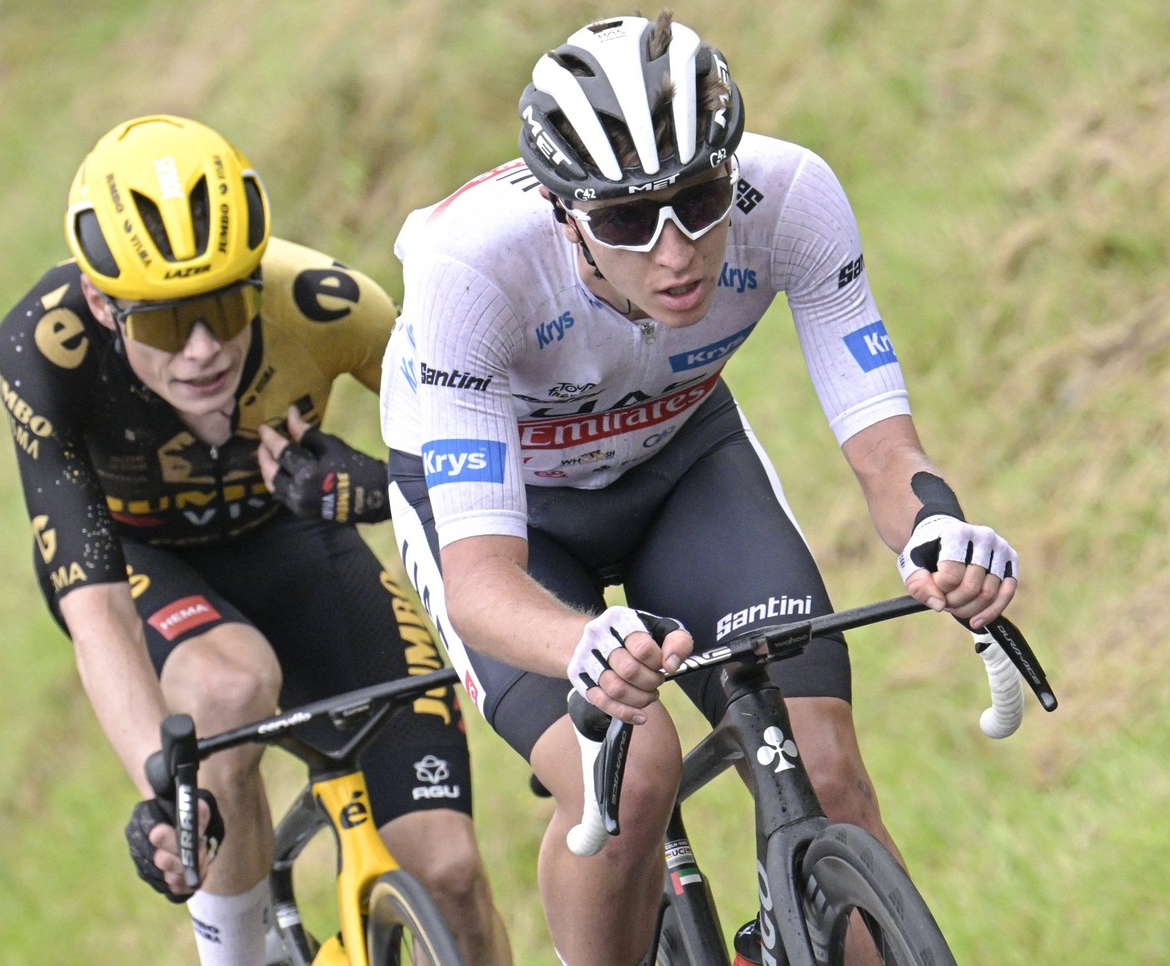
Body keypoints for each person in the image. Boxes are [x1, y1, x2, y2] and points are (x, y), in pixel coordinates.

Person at [378, 12, 1018, 965]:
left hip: (680, 459)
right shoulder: (472, 269)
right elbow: (480, 582)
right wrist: (579, 643)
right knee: (630, 775)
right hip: (511, 517)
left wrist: (940, 534)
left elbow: (890, 457)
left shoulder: (791, 195)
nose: (676, 253)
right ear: (565, 215)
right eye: (628, 221)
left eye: (702, 199)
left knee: (828, 773)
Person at [0, 114, 511, 966]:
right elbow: (98, 615)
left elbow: (476, 459)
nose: (202, 352)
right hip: (147, 563)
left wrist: (372, 485)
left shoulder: (331, 307)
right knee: (231, 686)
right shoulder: (46, 348)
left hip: (298, 548)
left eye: (227, 308)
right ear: (99, 302)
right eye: (162, 326)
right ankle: (239, 953)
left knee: (450, 871)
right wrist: (164, 792)